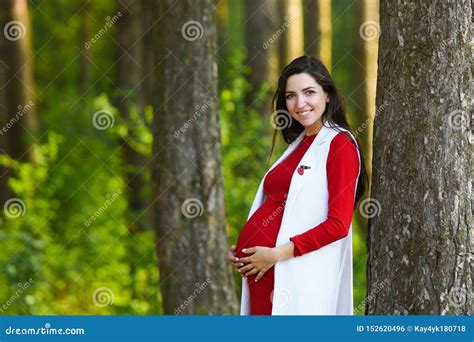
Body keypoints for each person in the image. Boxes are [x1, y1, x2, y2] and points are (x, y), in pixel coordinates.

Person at [227, 55, 367, 315]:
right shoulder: (299, 143)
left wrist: (276, 254)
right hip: (266, 273)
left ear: (327, 94)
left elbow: (338, 225)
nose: (300, 103)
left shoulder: (339, 145)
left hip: (293, 276)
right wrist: (245, 252)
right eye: (291, 95)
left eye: (309, 92)